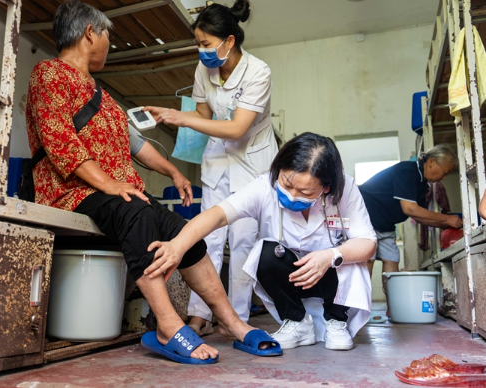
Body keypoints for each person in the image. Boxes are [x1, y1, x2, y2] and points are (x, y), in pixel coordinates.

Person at [25, 0, 280, 364]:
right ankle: (168, 326)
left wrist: (174, 173)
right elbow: (61, 143)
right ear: (89, 33)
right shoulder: (48, 74)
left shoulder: (104, 99)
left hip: (117, 192)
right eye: (107, 37)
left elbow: (138, 145)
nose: (109, 45)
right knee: (137, 213)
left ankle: (230, 321)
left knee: (182, 231)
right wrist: (111, 184)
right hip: (71, 191)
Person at [146, 133, 377, 350]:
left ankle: (336, 320)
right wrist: (177, 244)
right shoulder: (264, 186)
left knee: (349, 256)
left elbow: (368, 241)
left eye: (306, 192)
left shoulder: (345, 189)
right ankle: (296, 322)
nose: (292, 195)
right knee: (265, 253)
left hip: (331, 279)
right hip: (292, 278)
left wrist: (329, 256)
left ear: (326, 188)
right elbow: (217, 215)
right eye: (286, 183)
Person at [144, 0, 278, 336]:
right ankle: (200, 315)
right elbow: (204, 116)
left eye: (206, 44)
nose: (201, 51)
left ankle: (237, 319)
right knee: (209, 238)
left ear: (228, 41)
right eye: (198, 44)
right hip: (219, 158)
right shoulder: (204, 69)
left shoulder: (259, 72)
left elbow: (236, 128)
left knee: (244, 241)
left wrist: (180, 117)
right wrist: (170, 113)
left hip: (252, 160)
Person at [358, 144, 462, 317]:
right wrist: (447, 219)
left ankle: (394, 309)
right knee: (367, 260)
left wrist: (446, 224)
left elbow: (421, 217)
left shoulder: (423, 184)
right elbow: (410, 209)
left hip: (385, 224)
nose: (444, 177)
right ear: (432, 163)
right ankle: (360, 312)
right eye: (444, 172)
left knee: (391, 261)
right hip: (366, 218)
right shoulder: (408, 171)